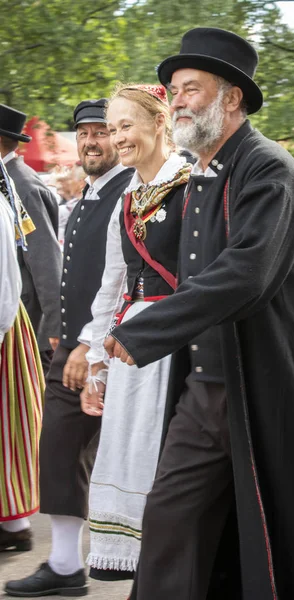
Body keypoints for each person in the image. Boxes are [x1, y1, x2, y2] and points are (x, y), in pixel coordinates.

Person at [102, 28, 294, 600]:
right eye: (173, 90)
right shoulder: (200, 174)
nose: (177, 101)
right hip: (207, 387)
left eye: (191, 88)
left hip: (268, 385)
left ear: (232, 98)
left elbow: (247, 273)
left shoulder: (270, 168)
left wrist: (146, 329)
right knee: (171, 515)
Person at [4, 98, 134, 598]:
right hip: (75, 346)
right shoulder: (92, 194)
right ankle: (63, 564)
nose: (92, 142)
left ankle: (145, 564)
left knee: (129, 456)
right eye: (84, 134)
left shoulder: (130, 192)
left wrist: (90, 342)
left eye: (103, 132)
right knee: (58, 446)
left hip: (114, 348)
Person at [79, 83, 191, 580]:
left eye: (127, 126)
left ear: (159, 122)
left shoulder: (192, 185)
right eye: (113, 128)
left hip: (178, 341)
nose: (117, 138)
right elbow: (113, 283)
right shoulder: (126, 196)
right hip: (128, 348)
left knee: (167, 460)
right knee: (130, 452)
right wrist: (96, 363)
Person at [0, 157, 44, 551]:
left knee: (9, 428)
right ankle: (14, 525)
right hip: (7, 320)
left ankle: (16, 525)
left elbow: (6, 279)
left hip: (4, 324)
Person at [0, 104, 62, 375]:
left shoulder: (22, 186)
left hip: (26, 325)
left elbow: (46, 261)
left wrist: (54, 329)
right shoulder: (11, 180)